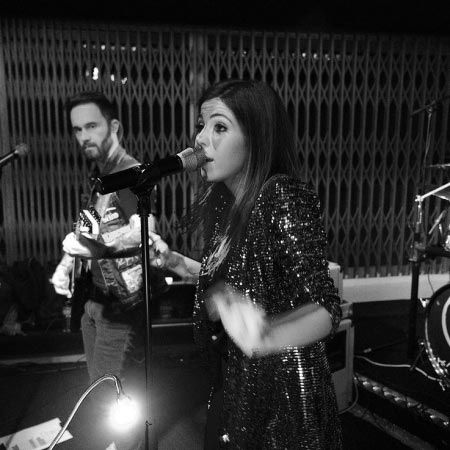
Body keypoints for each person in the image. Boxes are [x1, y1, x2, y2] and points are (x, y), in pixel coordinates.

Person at [148, 79, 343, 449]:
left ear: (256, 137)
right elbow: (236, 281)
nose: (200, 140)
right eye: (201, 126)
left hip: (280, 404)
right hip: (237, 385)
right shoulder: (227, 204)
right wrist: (176, 262)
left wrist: (266, 335)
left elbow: (326, 309)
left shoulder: (280, 194)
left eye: (219, 127)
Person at [50, 91, 162, 448]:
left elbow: (145, 232)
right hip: (95, 300)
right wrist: (66, 264)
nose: (83, 136)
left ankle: (127, 444)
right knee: (102, 390)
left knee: (110, 391)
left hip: (119, 306)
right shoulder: (102, 175)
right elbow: (91, 229)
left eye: (91, 126)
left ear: (114, 127)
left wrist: (97, 248)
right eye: (77, 129)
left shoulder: (127, 173)